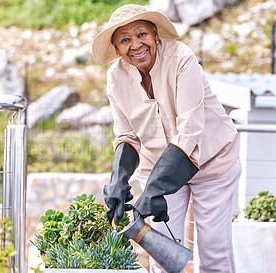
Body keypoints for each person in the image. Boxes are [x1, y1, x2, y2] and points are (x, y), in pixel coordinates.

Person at [92, 4, 241, 273]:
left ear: (155, 34)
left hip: (212, 162)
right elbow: (127, 134)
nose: (136, 45)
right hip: (157, 164)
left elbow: (190, 129)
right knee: (164, 258)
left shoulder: (182, 59)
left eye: (141, 35)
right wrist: (118, 180)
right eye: (125, 40)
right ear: (116, 49)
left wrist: (156, 188)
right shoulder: (115, 78)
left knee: (213, 254)